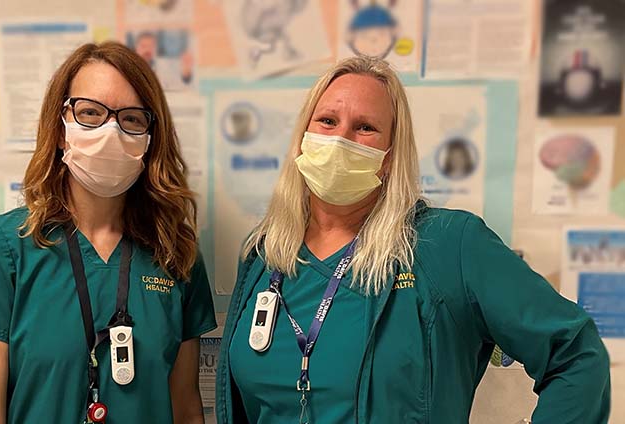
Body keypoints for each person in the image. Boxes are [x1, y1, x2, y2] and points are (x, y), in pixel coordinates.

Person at [215, 56, 610, 423]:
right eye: (327, 121)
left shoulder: (449, 245)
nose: (340, 139)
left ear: (389, 155)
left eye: (365, 127)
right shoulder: (264, 252)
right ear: (303, 135)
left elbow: (575, 354)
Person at [0, 41, 216, 423]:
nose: (110, 131)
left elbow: (185, 411)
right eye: (90, 113)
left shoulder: (176, 255)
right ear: (60, 129)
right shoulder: (4, 249)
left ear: (151, 139)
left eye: (132, 119)